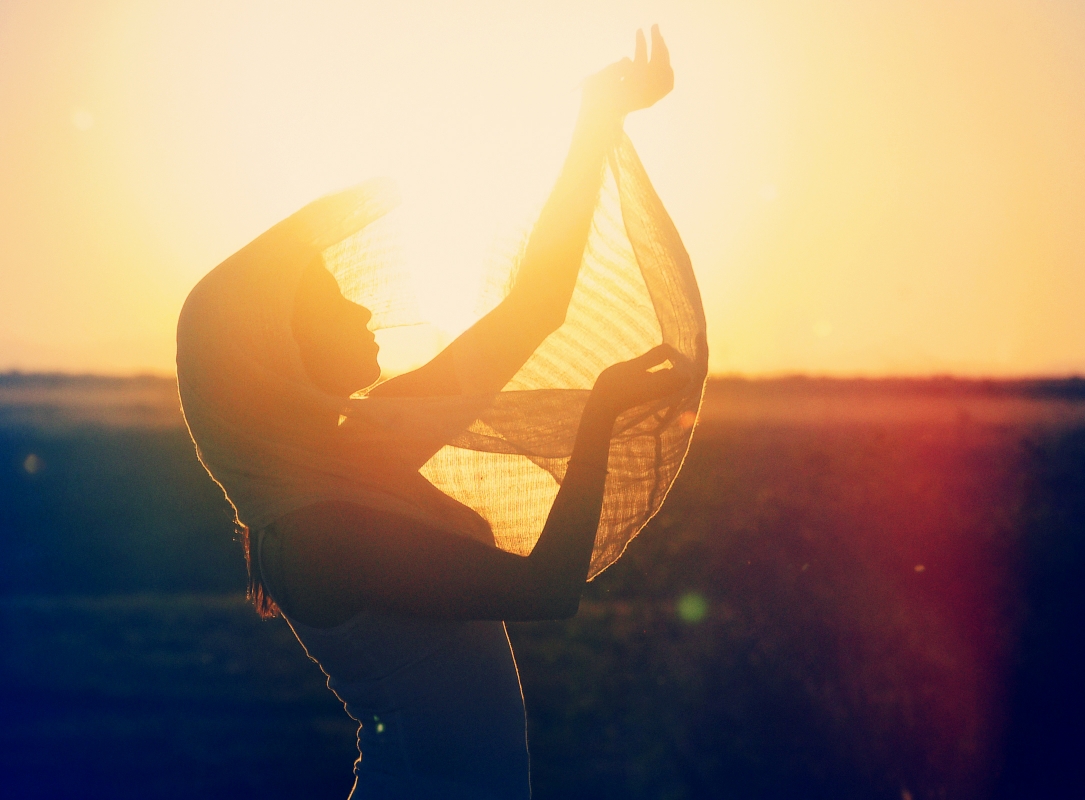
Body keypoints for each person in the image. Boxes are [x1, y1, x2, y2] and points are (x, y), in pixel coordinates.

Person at [176, 26, 707, 799]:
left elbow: (535, 307)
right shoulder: (325, 530)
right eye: (330, 306)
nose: (362, 310)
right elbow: (545, 591)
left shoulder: (357, 449)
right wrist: (598, 418)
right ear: (276, 356)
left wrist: (596, 123)